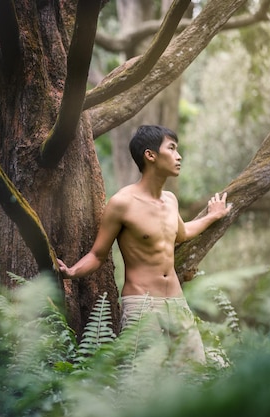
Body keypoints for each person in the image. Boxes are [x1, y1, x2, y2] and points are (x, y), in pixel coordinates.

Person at [58, 125, 232, 365]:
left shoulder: (170, 200)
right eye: (171, 148)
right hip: (142, 306)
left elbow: (181, 233)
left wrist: (213, 216)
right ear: (150, 155)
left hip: (177, 304)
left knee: (196, 375)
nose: (179, 156)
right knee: (141, 386)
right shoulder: (122, 203)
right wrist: (71, 271)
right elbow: (98, 255)